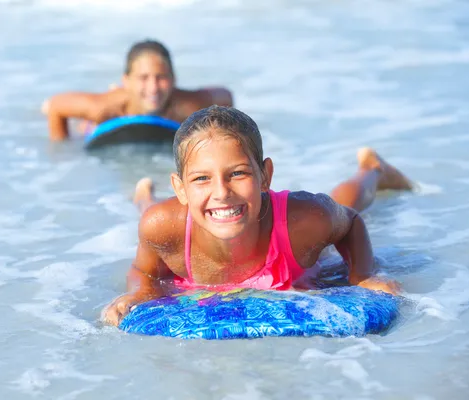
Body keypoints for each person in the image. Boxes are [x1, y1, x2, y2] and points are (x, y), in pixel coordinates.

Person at [103, 105, 414, 326]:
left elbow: (351, 224)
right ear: (180, 187)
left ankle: (372, 170)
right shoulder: (162, 227)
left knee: (341, 205)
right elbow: (144, 271)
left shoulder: (304, 220)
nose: (222, 191)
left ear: (265, 175)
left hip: (294, 240)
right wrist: (141, 292)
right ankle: (144, 196)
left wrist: (362, 276)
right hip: (175, 218)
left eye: (237, 173)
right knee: (155, 216)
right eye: (201, 178)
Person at [41, 40, 233, 141]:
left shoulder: (188, 105)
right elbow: (57, 106)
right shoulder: (104, 107)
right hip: (116, 111)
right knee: (76, 120)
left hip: (161, 115)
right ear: (126, 81)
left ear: (174, 79)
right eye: (143, 78)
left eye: (161, 77)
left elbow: (226, 96)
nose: (153, 88)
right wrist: (63, 148)